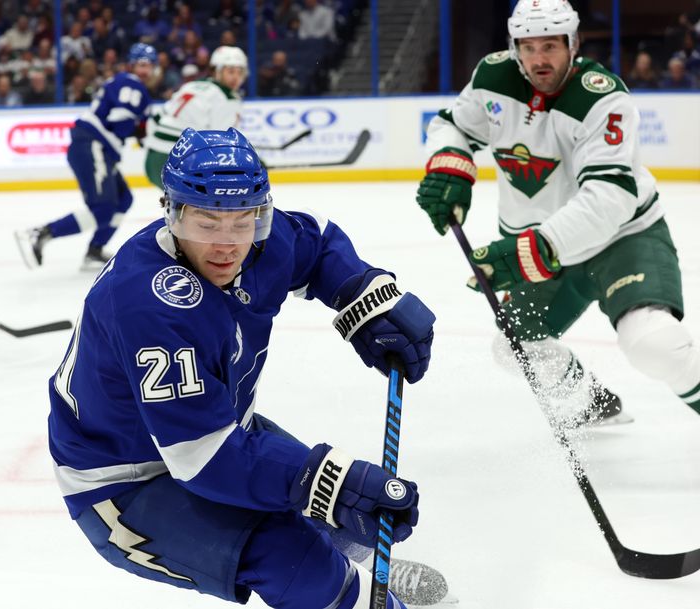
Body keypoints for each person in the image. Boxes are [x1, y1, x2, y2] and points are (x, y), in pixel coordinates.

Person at [47, 126, 441, 609]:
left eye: (243, 221)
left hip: (215, 428)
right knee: (287, 552)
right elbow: (205, 459)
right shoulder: (149, 302)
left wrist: (363, 295)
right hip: (123, 481)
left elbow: (314, 244)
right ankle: (350, 592)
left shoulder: (261, 242)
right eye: (205, 224)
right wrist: (331, 481)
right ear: (170, 213)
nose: (226, 245)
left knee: (335, 517)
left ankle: (353, 576)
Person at [416, 0, 700, 423]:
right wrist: (450, 165)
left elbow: (609, 197)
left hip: (621, 238)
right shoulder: (494, 76)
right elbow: (452, 124)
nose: (538, 59)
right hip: (544, 247)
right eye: (527, 48)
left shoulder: (602, 98)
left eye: (550, 46)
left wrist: (532, 250)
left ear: (574, 43)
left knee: (652, 342)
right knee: (515, 346)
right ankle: (592, 403)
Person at [15, 43, 156, 271]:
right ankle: (41, 233)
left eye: (149, 65)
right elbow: (122, 121)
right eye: (141, 64)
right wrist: (140, 132)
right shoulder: (132, 85)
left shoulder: (128, 85)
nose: (145, 70)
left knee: (123, 199)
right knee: (103, 209)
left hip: (98, 147)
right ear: (131, 64)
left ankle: (95, 250)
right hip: (93, 144)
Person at [142, 45, 246, 188]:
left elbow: (157, 118)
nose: (236, 77)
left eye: (240, 72)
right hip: (180, 164)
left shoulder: (192, 85)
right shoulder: (227, 98)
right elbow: (222, 144)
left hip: (152, 159)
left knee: (180, 207)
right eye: (230, 71)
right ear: (217, 71)